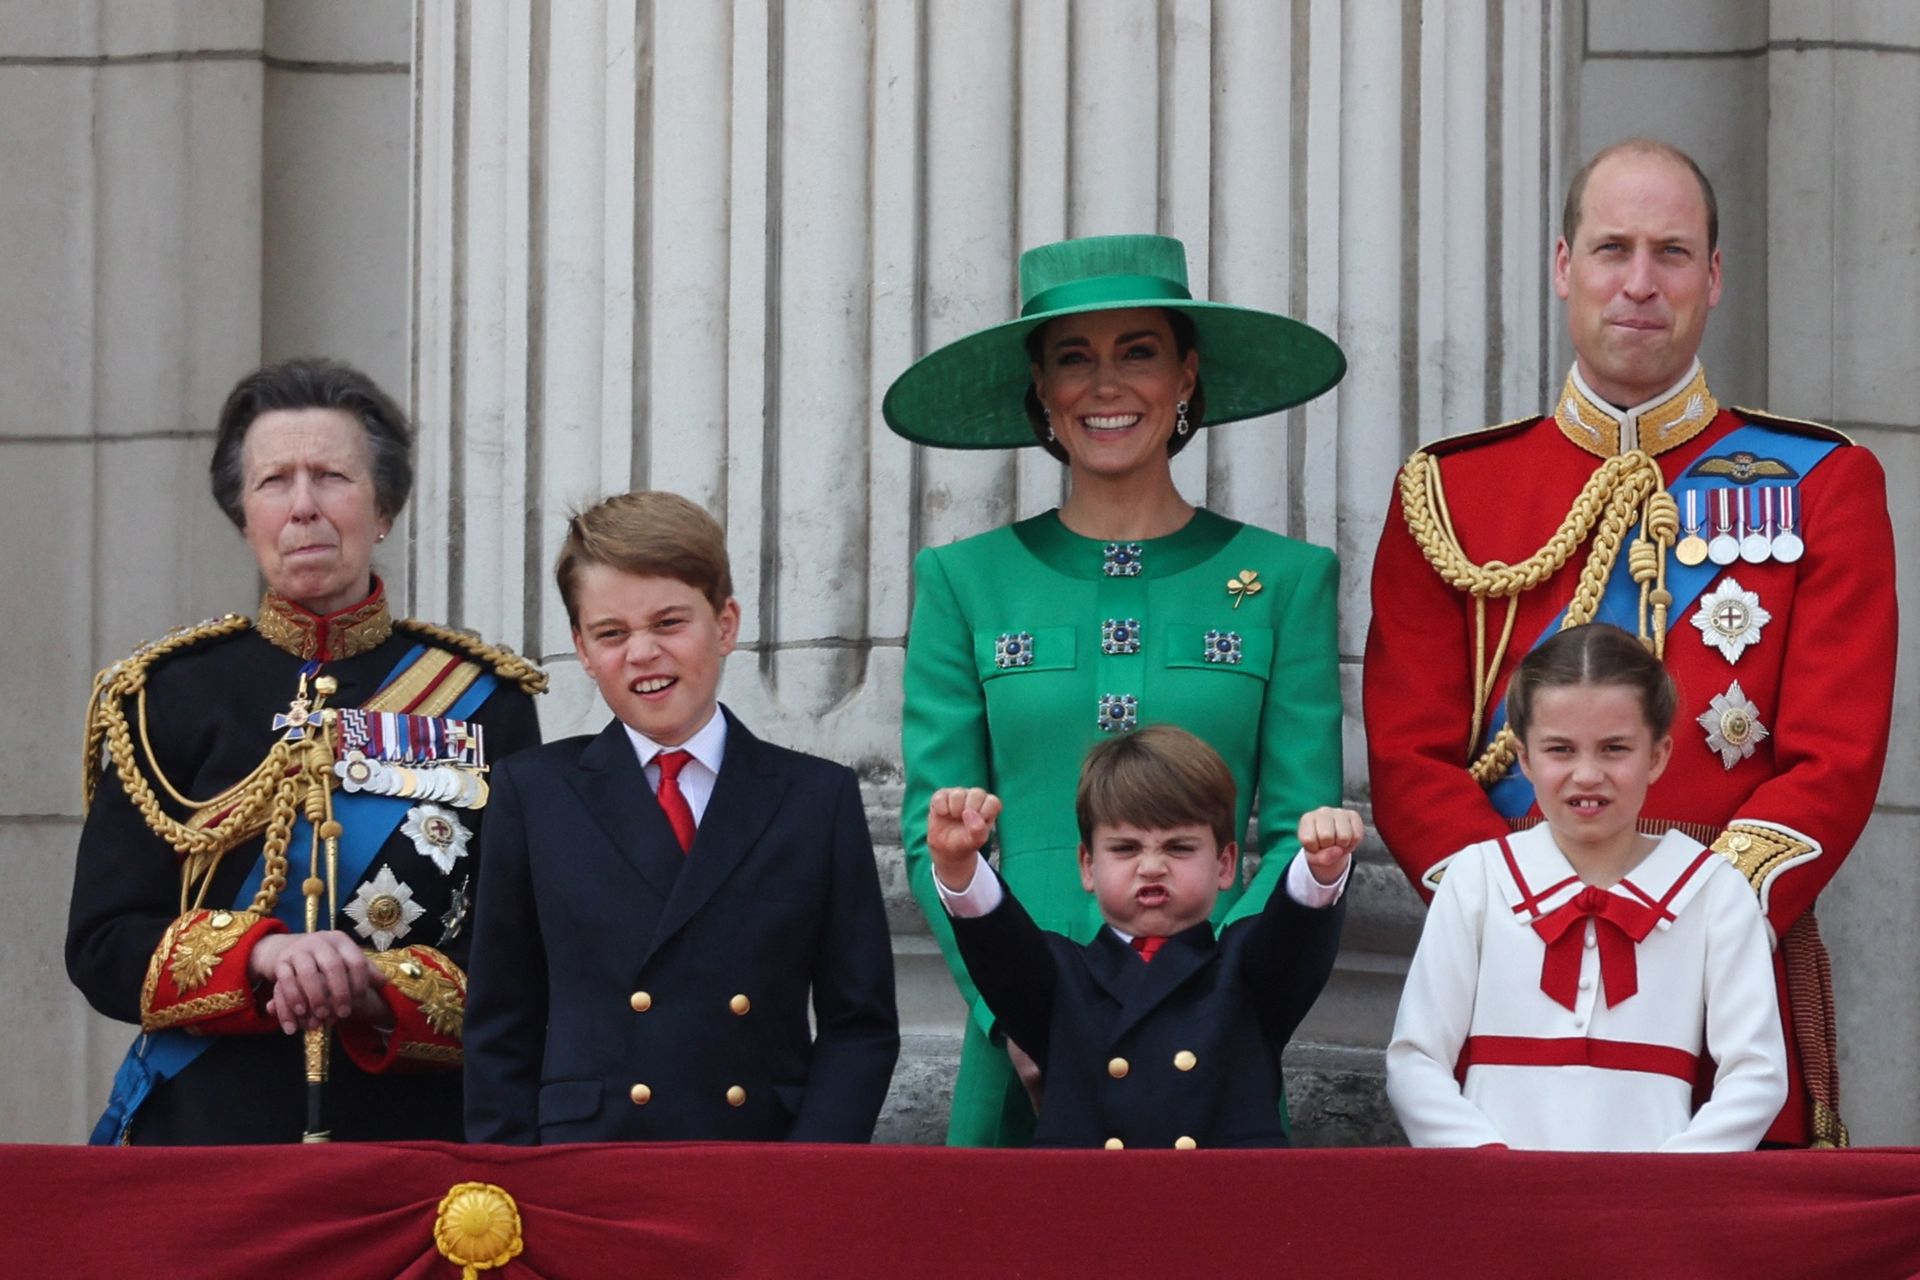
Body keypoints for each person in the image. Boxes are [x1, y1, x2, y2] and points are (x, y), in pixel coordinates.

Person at [1362, 138, 1896, 1147]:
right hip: (1510, 976)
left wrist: (1693, 920)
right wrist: (1526, 916)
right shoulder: (1451, 492)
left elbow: (1835, 759)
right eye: (1612, 249)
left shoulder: (1823, 480)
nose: (1640, 284)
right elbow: (1407, 755)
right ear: (1564, 267)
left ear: (1715, 276)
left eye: (1672, 253)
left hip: (1722, 970)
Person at [885, 233, 1348, 1147]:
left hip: (1216, 1040)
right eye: (1073, 359)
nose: (1106, 386)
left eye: (1137, 352)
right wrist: (1016, 1014)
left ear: (1186, 375)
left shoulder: (1286, 578)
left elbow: (1303, 828)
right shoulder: (961, 580)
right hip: (1021, 1036)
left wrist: (1224, 1001)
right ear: (1041, 390)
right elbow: (929, 831)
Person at [67, 357, 546, 1145]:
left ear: (383, 505)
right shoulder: (166, 696)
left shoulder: (486, 699)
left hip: (411, 1142)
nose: (303, 508)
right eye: (274, 483)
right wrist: (263, 957)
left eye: (331, 477)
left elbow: (520, 958)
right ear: (243, 515)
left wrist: (370, 990)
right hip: (208, 1133)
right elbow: (102, 944)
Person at [462, 491, 899, 1143]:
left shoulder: (814, 798)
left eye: (669, 623)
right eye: (612, 633)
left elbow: (859, 1025)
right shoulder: (534, 793)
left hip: (758, 1159)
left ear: (725, 624)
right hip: (585, 1167)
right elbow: (501, 1022)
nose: (642, 652)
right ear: (582, 649)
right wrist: (517, 1187)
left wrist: (811, 1175)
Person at [1385, 625, 1787, 1150]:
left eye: (1615, 749)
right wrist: (1485, 1166)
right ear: (1524, 758)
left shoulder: (1715, 891)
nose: (1587, 774)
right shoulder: (1478, 878)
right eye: (1560, 750)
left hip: (1652, 1211)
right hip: (1494, 1199)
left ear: (1659, 755)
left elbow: (1756, 1073)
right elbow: (1415, 1057)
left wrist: (1670, 1182)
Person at [923, 726, 1356, 1149]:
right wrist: (959, 864)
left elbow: (1295, 931)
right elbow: (998, 941)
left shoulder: (1247, 969)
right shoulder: (1061, 977)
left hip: (1225, 1209)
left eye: (1179, 848)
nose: (1152, 866)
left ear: (1226, 865)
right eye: (1126, 848)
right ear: (1088, 866)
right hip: (1092, 1210)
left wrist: (1321, 865)